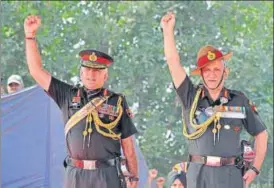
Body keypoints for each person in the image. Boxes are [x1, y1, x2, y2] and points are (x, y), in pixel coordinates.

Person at [24, 15, 139, 188]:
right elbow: (36, 71)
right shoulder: (67, 94)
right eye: (88, 70)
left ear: (105, 75)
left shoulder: (117, 101)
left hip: (107, 176)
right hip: (75, 175)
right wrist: (30, 37)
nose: (92, 74)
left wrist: (134, 177)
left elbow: (128, 144)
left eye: (97, 71)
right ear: (81, 73)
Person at [161, 12, 268, 188]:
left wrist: (255, 168)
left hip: (230, 174)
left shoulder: (239, 100)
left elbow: (261, 134)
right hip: (198, 173)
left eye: (216, 70)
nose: (212, 75)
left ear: (224, 72)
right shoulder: (190, 96)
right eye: (207, 70)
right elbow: (173, 63)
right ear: (201, 74)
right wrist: (167, 31)